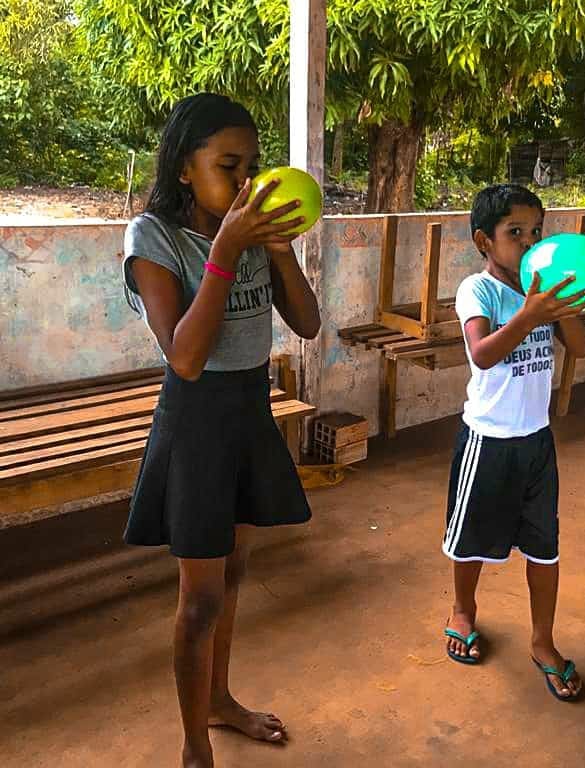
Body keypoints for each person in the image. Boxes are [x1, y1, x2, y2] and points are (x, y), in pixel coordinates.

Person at [121, 93, 321, 767]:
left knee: (232, 575)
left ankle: (219, 699)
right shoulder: (153, 238)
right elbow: (183, 354)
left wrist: (282, 252)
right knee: (200, 600)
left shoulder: (252, 231)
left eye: (253, 165)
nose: (246, 181)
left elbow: (308, 324)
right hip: (198, 420)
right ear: (184, 167)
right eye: (229, 164)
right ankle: (192, 742)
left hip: (248, 409)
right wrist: (227, 251)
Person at [442, 184, 585, 701]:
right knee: (470, 541)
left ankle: (543, 641)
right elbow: (482, 353)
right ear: (485, 240)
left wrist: (560, 304)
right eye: (515, 234)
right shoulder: (476, 291)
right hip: (488, 439)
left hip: (536, 442)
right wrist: (528, 315)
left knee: (545, 549)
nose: (529, 244)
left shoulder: (543, 293)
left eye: (536, 233)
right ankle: (463, 611)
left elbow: (582, 346)